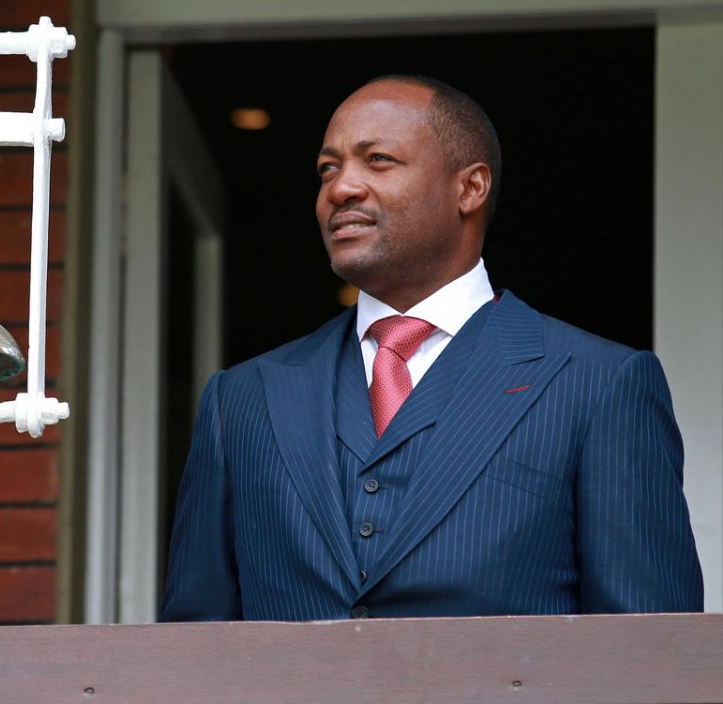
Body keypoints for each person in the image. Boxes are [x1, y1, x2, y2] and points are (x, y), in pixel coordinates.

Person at [160, 75, 703, 621]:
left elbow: (650, 654)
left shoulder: (600, 384)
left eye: (377, 160)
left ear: (470, 188)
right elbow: (193, 650)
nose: (340, 188)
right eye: (328, 168)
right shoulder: (241, 400)